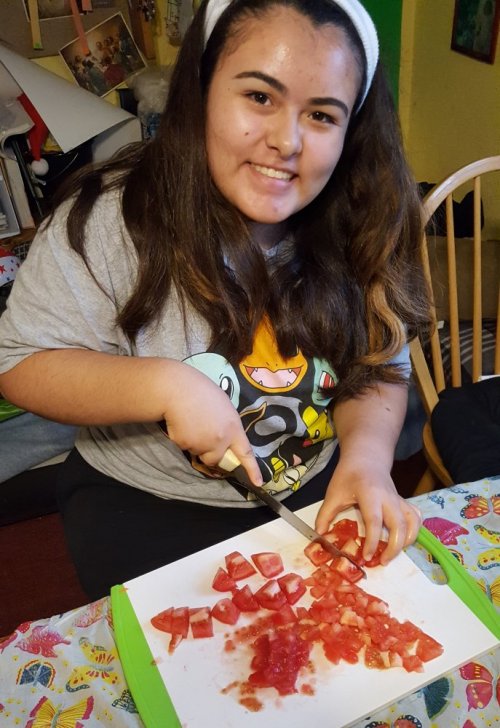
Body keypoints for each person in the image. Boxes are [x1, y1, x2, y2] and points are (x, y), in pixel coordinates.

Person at [0, 0, 431, 600]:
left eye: (323, 115)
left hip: (313, 488)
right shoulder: (107, 218)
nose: (286, 140)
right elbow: (19, 363)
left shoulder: (366, 219)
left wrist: (366, 459)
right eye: (259, 97)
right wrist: (163, 385)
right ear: (200, 89)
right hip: (143, 503)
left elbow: (381, 367)